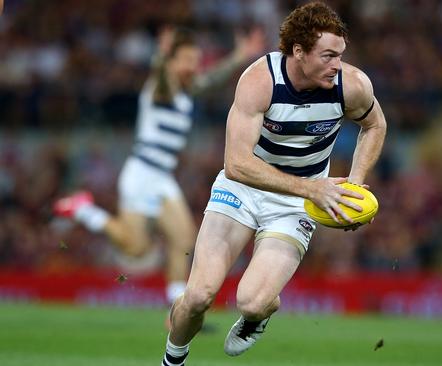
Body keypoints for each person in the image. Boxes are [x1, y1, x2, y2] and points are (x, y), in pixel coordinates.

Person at [159, 2, 387, 364]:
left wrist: (355, 186)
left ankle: (258, 317)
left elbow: (375, 124)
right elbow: (236, 164)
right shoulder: (259, 81)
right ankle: (173, 359)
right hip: (243, 190)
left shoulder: (352, 86)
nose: (337, 65)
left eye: (340, 55)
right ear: (299, 51)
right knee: (199, 295)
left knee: (251, 301)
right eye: (328, 56)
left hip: (296, 204)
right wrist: (313, 188)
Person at [53, 25, 265, 307]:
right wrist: (161, 55)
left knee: (184, 239)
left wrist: (239, 55)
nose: (192, 66)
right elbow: (163, 74)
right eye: (186, 60)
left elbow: (211, 80)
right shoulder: (159, 87)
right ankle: (83, 209)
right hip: (141, 173)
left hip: (161, 177)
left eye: (195, 60)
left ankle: (176, 310)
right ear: (171, 62)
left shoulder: (186, 91)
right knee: (136, 248)